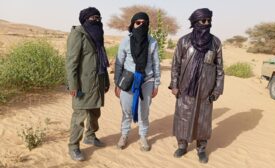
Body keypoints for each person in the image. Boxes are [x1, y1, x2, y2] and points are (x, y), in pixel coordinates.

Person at [169, 8, 224, 163]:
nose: (207, 23)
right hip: (185, 90)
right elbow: (176, 65)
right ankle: (182, 146)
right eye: (203, 21)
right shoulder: (184, 41)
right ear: (195, 23)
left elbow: (220, 69)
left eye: (209, 20)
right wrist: (174, 85)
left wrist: (217, 90)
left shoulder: (215, 43)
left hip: (206, 92)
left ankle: (201, 149)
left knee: (203, 121)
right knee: (183, 118)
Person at [66, 7, 110, 161]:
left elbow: (102, 61)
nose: (96, 21)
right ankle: (73, 146)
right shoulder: (78, 34)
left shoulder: (98, 36)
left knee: (95, 113)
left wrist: (106, 80)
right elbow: (71, 62)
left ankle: (90, 136)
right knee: (79, 116)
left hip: (97, 81)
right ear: (85, 19)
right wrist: (73, 85)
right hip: (83, 84)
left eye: (98, 18)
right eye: (93, 18)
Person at [114, 12, 160, 151]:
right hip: (128, 81)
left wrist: (156, 84)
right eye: (138, 22)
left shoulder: (152, 42)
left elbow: (156, 64)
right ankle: (124, 134)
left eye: (144, 23)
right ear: (132, 24)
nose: (141, 25)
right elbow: (119, 63)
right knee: (126, 110)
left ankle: (143, 136)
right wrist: (117, 83)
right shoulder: (125, 41)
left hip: (147, 80)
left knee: (144, 111)